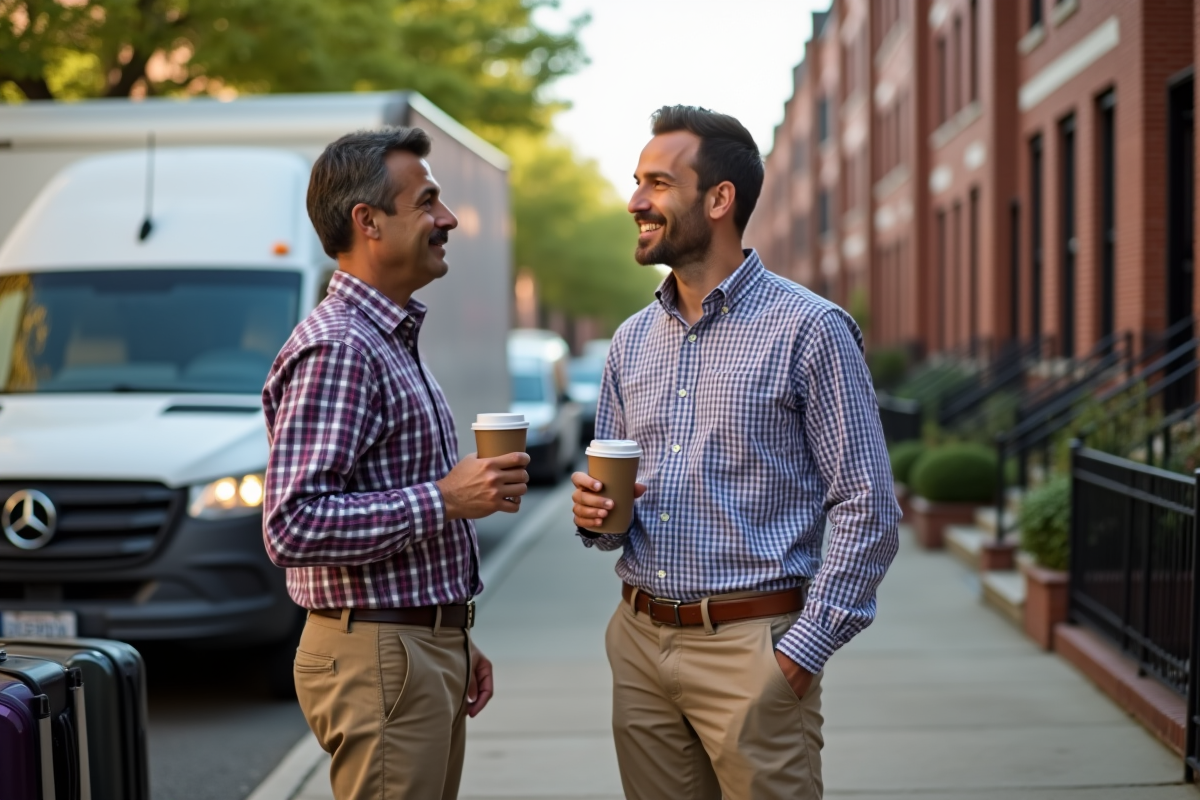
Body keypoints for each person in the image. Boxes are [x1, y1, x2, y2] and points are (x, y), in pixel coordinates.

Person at [571, 106, 900, 800]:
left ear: (719, 199)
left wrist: (800, 654)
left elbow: (870, 507)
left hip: (752, 648)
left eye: (658, 183)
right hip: (638, 643)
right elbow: (614, 522)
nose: (635, 202)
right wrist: (598, 513)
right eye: (637, 182)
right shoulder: (630, 341)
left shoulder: (810, 330)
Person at [262, 127, 530, 800]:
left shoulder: (387, 337)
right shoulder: (342, 348)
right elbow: (292, 526)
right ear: (368, 222)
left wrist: (452, 636)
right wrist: (443, 499)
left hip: (410, 646)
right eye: (429, 202)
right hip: (379, 656)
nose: (449, 219)